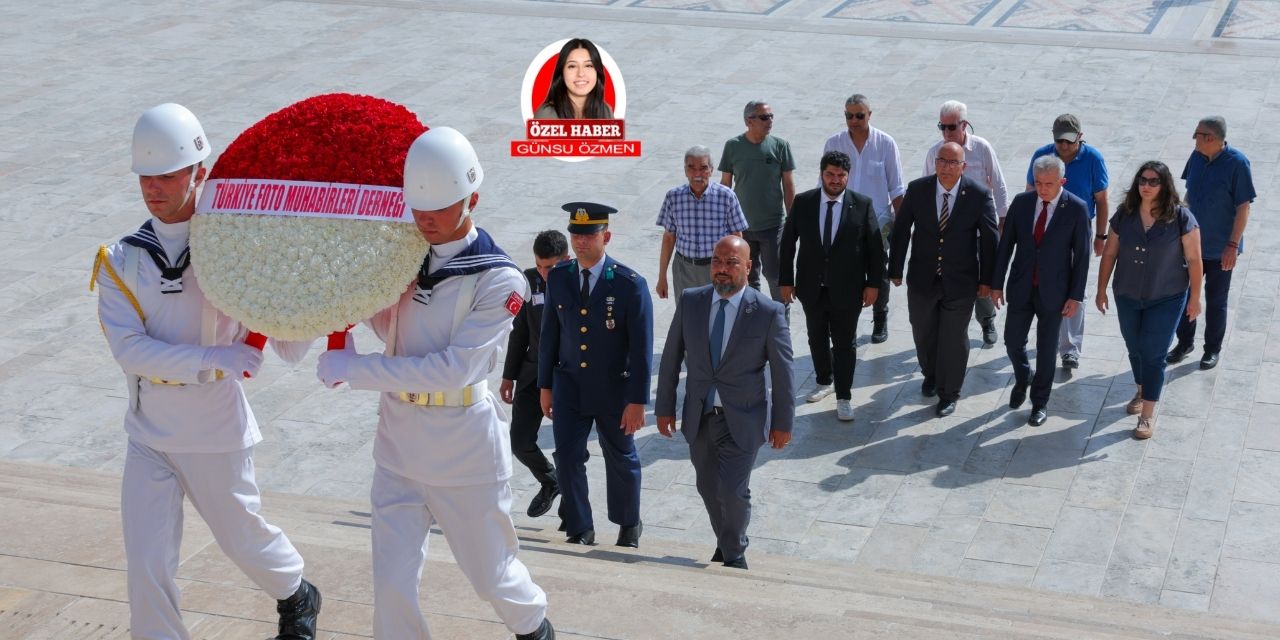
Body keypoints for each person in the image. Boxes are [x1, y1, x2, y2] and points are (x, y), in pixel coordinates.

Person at [92, 103, 320, 640]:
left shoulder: (237, 248)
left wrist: (310, 293)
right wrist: (213, 359)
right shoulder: (121, 259)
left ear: (200, 171)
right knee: (147, 563)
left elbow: (288, 347)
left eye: (167, 175)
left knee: (242, 538)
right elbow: (131, 351)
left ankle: (296, 591)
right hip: (148, 433)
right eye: (145, 176)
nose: (153, 187)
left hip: (216, 428)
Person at [316, 127, 554, 640]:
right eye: (417, 206)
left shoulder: (500, 280)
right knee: (392, 585)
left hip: (462, 450)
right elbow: (395, 330)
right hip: (399, 447)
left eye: (440, 207)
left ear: (472, 199)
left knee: (493, 578)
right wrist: (345, 299)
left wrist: (356, 371)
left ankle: (535, 630)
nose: (424, 218)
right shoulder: (406, 258)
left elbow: (453, 369)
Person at [655, 235, 794, 570]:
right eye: (717, 261)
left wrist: (782, 423)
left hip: (743, 418)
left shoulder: (767, 312)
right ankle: (727, 543)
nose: (721, 269)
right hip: (700, 415)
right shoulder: (691, 301)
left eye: (731, 263)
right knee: (707, 486)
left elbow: (783, 372)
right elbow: (671, 357)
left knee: (732, 491)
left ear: (748, 266)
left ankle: (734, 553)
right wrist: (663, 408)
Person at [539, 202, 652, 548]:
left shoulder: (629, 284)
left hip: (613, 388)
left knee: (621, 457)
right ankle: (579, 526)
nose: (580, 241)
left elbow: (642, 348)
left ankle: (629, 524)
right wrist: (545, 385)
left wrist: (637, 401)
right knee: (568, 457)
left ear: (607, 236)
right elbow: (550, 336)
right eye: (576, 234)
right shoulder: (559, 277)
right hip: (570, 385)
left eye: (588, 235)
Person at [890, 141, 999, 417]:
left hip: (961, 281)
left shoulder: (978, 194)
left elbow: (989, 240)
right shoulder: (918, 189)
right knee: (923, 331)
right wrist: (895, 268)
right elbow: (902, 229)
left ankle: (950, 392)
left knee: (953, 337)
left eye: (953, 163)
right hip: (923, 277)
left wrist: (988, 280)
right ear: (935, 162)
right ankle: (931, 374)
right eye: (942, 161)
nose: (946, 167)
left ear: (963, 166)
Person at [1096, 161, 1203, 440]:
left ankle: (1146, 416)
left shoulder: (1181, 218)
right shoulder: (1125, 214)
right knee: (1134, 347)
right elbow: (1109, 254)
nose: (1146, 185)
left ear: (1164, 185)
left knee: (1154, 354)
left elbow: (1194, 259)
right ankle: (1142, 389)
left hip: (1166, 297)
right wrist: (1101, 289)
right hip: (1127, 294)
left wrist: (1195, 297)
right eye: (1143, 180)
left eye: (1153, 181)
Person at [779, 150, 885, 422]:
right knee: (816, 336)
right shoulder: (804, 203)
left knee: (844, 342)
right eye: (830, 174)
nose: (835, 180)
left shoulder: (862, 205)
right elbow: (789, 243)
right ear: (821, 174)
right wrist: (785, 281)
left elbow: (875, 248)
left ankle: (844, 396)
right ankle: (824, 380)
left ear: (848, 176)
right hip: (811, 287)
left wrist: (874, 284)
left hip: (848, 290)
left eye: (840, 175)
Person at [990, 156, 1091, 426]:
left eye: (1049, 184)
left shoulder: (1076, 209)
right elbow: (1006, 245)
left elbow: (1082, 257)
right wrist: (996, 283)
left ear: (1062, 181)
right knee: (1012, 341)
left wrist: (1075, 296)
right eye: (1038, 183)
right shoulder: (1022, 203)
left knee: (1046, 349)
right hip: (1022, 287)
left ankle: (1039, 403)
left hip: (1055, 292)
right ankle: (1024, 376)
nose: (1043, 189)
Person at [1167, 116, 1256, 370]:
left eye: (1197, 134)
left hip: (1220, 249)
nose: (1194, 138)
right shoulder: (1196, 157)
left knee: (1216, 300)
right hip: (1191, 244)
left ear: (1211, 139)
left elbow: (1243, 207)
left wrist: (1232, 245)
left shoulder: (1238, 164)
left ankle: (1212, 349)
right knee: (1184, 295)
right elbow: (1188, 195)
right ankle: (1184, 343)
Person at [1024, 114, 1110, 371]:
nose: (1063, 145)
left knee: (1075, 287)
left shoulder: (1093, 159)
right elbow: (1031, 193)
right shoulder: (1042, 156)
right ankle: (1048, 335)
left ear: (1080, 138)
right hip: (1045, 230)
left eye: (1069, 141)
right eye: (1059, 140)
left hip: (1078, 230)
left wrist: (1101, 236)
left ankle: (1070, 348)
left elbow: (1102, 200)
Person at [922, 100, 1009, 346]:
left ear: (964, 125)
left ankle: (987, 319)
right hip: (948, 227)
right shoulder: (934, 153)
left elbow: (998, 183)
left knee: (982, 274)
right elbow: (925, 189)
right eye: (943, 127)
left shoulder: (982, 148)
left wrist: (1001, 221)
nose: (947, 132)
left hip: (980, 226)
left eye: (952, 127)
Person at [821, 94, 905, 344]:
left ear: (870, 115)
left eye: (859, 115)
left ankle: (880, 316)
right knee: (844, 272)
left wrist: (902, 228)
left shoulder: (886, 144)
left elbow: (897, 188)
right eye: (849, 115)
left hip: (878, 222)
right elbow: (824, 185)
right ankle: (846, 320)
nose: (854, 120)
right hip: (842, 221)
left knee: (878, 271)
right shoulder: (834, 143)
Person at [501, 230, 570, 519]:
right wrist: (508, 376)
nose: (544, 273)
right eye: (540, 265)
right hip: (532, 375)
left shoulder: (580, 282)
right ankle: (551, 481)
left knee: (570, 447)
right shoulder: (527, 281)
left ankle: (573, 503)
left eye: (551, 267)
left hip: (567, 379)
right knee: (519, 442)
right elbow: (519, 333)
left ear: (566, 259)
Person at [719, 100, 796, 306]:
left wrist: (793, 219)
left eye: (771, 116)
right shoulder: (733, 147)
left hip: (772, 226)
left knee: (775, 276)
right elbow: (725, 185)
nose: (769, 121)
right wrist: (723, 221)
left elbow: (788, 186)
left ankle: (781, 316)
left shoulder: (780, 147)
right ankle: (751, 315)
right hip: (742, 228)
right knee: (747, 277)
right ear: (749, 121)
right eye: (764, 117)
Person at [656, 145, 748, 300]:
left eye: (703, 168)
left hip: (718, 269)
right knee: (687, 316)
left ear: (711, 170)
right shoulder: (673, 197)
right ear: (685, 170)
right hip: (684, 269)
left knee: (718, 313)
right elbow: (669, 237)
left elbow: (737, 237)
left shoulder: (727, 197)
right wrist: (662, 277)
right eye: (691, 168)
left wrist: (742, 273)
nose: (697, 173)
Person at [535, 38, 614, 120]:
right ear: (561, 72)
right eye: (572, 66)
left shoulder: (606, 111)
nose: (581, 74)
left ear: (597, 72)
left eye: (588, 65)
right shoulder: (546, 114)